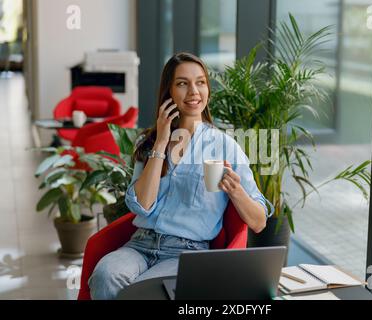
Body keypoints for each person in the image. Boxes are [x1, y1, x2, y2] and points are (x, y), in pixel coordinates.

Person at [88, 52, 274, 300]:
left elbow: (259, 221)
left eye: (200, 82)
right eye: (182, 83)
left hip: (187, 253)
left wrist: (236, 191)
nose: (193, 91)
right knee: (105, 275)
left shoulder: (225, 146)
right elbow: (142, 205)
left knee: (142, 292)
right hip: (140, 244)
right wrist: (161, 142)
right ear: (169, 92)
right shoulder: (150, 142)